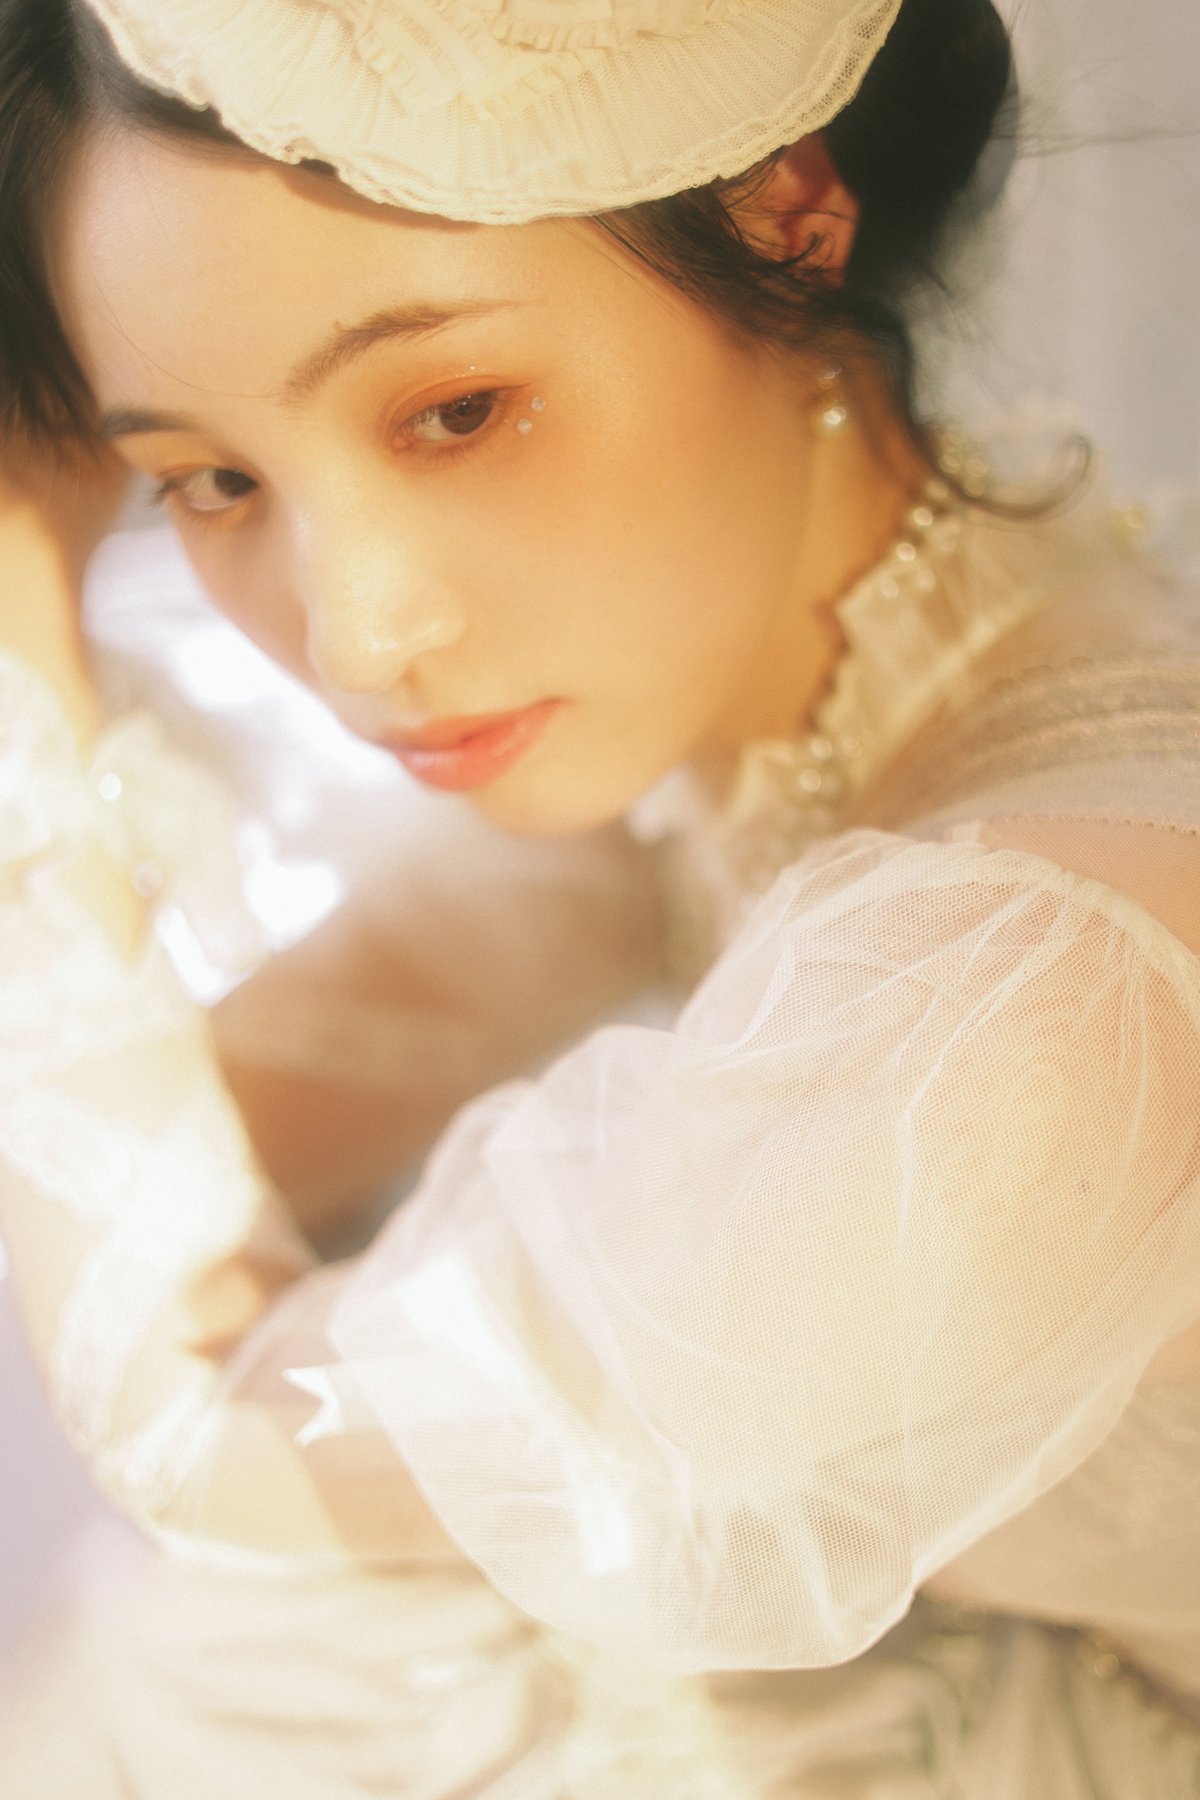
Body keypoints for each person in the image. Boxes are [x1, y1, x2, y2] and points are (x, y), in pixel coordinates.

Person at [0, 0, 1198, 1794]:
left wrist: (16, 664)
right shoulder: (795, 708)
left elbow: (212, 1437)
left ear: (789, 206)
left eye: (457, 410)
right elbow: (239, 1123)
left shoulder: (1027, 993)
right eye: (210, 481)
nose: (357, 636)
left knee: (203, 1671)